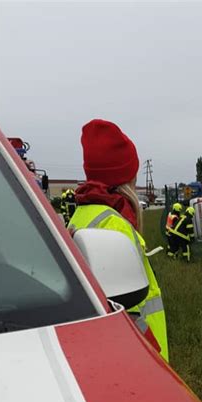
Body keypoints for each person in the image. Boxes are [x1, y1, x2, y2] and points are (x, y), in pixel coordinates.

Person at [68, 119, 168, 361]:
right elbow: (128, 309)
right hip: (139, 354)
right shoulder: (114, 225)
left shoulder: (82, 215)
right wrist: (153, 357)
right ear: (127, 178)